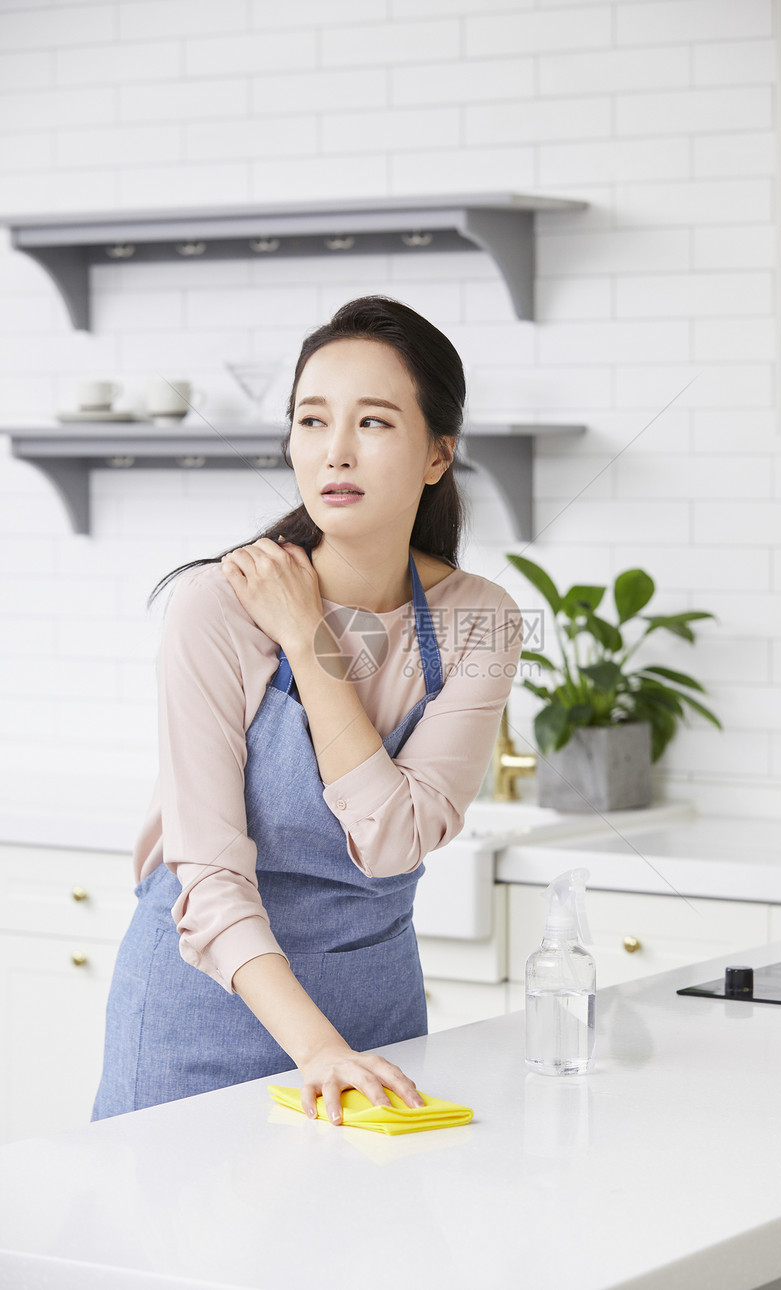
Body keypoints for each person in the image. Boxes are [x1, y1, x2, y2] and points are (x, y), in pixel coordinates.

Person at [91, 295, 523, 1128]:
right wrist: (318, 1046)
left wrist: (308, 643)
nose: (336, 451)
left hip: (376, 1023)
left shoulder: (480, 619)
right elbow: (210, 875)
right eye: (312, 420)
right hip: (205, 1009)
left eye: (374, 423)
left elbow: (392, 844)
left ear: (439, 454)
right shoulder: (217, 607)